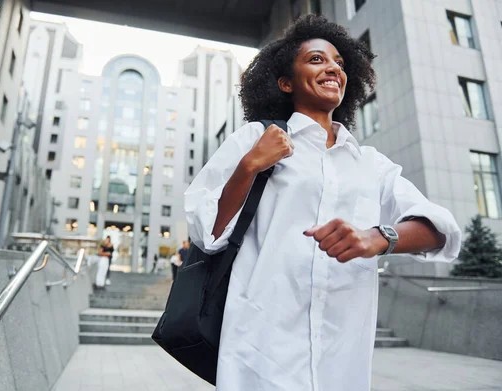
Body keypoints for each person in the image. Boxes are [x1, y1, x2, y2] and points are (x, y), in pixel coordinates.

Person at [184, 14, 461, 391]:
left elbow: (441, 231)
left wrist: (378, 238)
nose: (332, 67)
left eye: (339, 63)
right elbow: (206, 231)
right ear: (285, 82)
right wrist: (249, 166)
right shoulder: (254, 138)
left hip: (341, 359)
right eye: (316, 59)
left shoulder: (370, 164)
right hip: (260, 350)